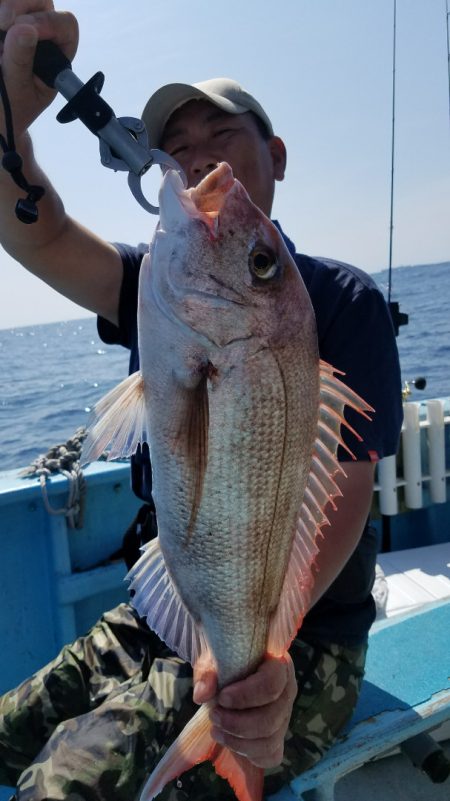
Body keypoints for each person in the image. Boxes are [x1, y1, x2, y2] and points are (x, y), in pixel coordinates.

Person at [0, 3, 403, 800]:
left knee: (58, 785)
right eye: (177, 148)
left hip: (301, 642)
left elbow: (346, 499)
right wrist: (8, 115)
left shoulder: (343, 304)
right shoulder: (160, 291)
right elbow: (36, 234)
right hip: (164, 612)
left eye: (222, 137)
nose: (198, 160)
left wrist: (261, 651)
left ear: (275, 155)